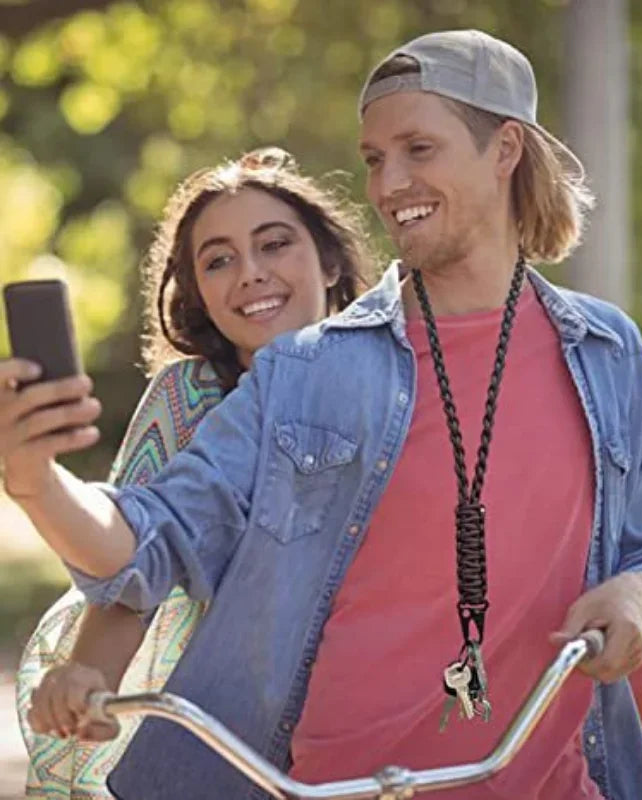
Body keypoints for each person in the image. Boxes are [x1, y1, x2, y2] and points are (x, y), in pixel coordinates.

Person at [1, 30, 642, 800]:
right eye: (374, 158)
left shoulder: (608, 353)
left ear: (505, 150)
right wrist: (36, 483)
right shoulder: (305, 369)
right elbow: (152, 537)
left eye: (417, 149)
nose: (388, 183)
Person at [9, 146, 371, 799]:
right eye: (219, 260)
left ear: (331, 259)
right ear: (198, 291)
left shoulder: (394, 378)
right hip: (230, 724)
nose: (250, 274)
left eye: (275, 244)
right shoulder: (188, 397)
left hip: (382, 721)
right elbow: (138, 563)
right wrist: (90, 672)